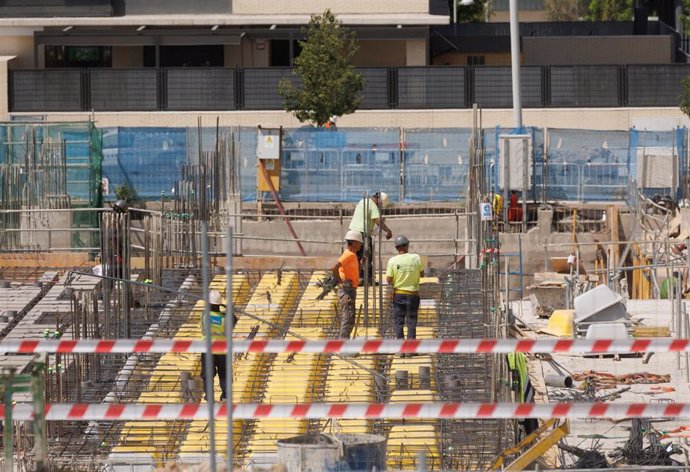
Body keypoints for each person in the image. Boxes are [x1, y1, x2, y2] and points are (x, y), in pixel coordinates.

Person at [200, 290, 237, 402]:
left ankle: (209, 395)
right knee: (224, 374)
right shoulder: (225, 318)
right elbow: (234, 319)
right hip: (222, 350)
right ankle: (225, 396)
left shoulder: (204, 315)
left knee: (208, 374)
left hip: (208, 349)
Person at [386, 235, 424, 340]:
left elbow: (388, 280)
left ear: (396, 248)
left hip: (399, 295)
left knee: (399, 322)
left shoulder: (392, 261)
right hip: (413, 295)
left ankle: (401, 348)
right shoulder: (416, 258)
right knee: (411, 322)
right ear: (407, 245)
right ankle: (410, 349)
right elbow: (422, 274)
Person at [348, 192, 393, 281]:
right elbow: (377, 220)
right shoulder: (372, 204)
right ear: (379, 200)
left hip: (352, 232)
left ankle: (357, 277)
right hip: (362, 233)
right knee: (367, 256)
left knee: (356, 257)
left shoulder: (363, 201)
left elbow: (365, 219)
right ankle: (367, 279)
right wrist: (388, 231)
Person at [331, 230, 363, 339]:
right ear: (354, 243)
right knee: (347, 316)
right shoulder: (348, 254)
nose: (360, 245)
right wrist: (341, 282)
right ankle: (343, 343)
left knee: (350, 317)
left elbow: (357, 269)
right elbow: (334, 268)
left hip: (351, 289)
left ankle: (345, 342)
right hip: (347, 290)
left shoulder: (352, 255)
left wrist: (363, 260)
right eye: (359, 242)